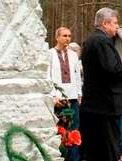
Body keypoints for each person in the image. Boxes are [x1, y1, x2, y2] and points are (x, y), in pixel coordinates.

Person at [80, 8, 122, 161]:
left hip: (92, 105)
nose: (117, 27)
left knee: (94, 149)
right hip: (105, 106)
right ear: (104, 23)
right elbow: (112, 69)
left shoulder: (89, 40)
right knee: (108, 150)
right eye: (115, 23)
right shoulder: (103, 41)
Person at [48, 27, 83, 161]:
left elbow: (77, 76)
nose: (67, 38)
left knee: (73, 132)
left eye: (69, 36)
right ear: (57, 37)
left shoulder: (73, 55)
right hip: (58, 99)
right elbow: (47, 76)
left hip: (72, 98)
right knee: (59, 131)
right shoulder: (50, 54)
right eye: (64, 36)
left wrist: (79, 94)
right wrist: (52, 94)